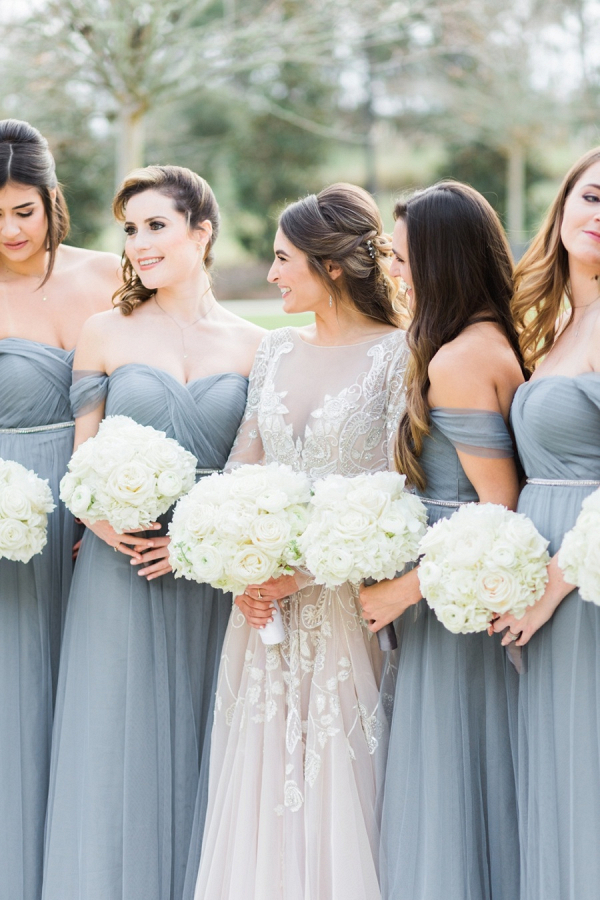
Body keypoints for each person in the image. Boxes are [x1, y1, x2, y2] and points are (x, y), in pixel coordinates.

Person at [42, 165, 263, 900]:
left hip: (212, 580)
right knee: (113, 749)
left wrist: (197, 547)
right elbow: (82, 463)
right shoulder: (105, 330)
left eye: (157, 225)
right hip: (119, 569)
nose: (138, 243)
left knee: (212, 752)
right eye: (130, 229)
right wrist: (115, 530)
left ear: (202, 230)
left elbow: (258, 478)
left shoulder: (258, 345)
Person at [189, 182, 408, 900]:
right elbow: (240, 464)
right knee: (259, 782)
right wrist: (239, 562)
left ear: (332, 267)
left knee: (345, 785)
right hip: (259, 613)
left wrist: (302, 574)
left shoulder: (397, 355)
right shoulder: (275, 350)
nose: (273, 273)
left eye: (285, 260)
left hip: (349, 606)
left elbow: (392, 490)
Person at [360, 182, 525, 900]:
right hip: (448, 589)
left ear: (443, 259)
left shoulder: (461, 358)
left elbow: (500, 507)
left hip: (458, 599)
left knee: (450, 781)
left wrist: (403, 588)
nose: (393, 271)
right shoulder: (483, 336)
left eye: (403, 258)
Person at [0, 118, 119, 900]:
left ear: (52, 202)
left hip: (102, 511)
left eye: (23, 210)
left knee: (93, 693)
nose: (9, 229)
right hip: (8, 516)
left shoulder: (109, 273)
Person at [491, 147, 600, 900]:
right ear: (564, 205)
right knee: (555, 770)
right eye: (593, 196)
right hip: (547, 578)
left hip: (584, 586)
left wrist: (554, 587)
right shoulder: (558, 321)